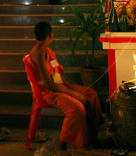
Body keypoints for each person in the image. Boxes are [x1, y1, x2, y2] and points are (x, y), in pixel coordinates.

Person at [28, 21, 103, 150]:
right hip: (47, 92)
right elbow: (49, 85)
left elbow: (56, 72)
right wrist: (73, 94)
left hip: (59, 86)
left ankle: (92, 136)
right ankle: (63, 145)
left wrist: (70, 87)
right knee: (77, 106)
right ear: (50, 35)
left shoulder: (48, 51)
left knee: (91, 94)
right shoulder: (38, 54)